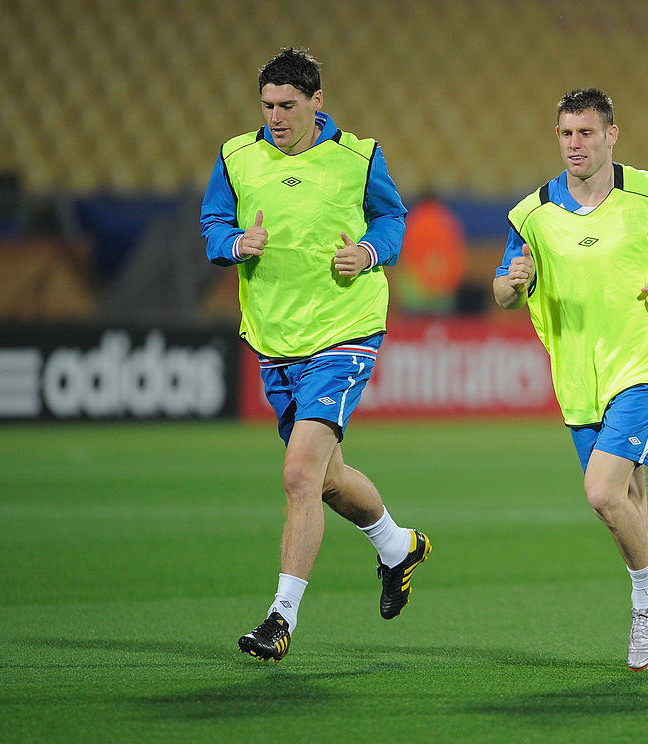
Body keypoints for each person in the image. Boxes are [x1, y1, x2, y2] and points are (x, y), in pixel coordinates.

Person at [200, 48, 431, 663]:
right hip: (275, 341)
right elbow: (213, 225)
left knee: (299, 473)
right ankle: (397, 545)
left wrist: (371, 254)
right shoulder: (237, 157)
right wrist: (233, 242)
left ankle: (281, 618)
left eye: (288, 105)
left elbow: (392, 220)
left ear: (316, 102)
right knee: (326, 480)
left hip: (344, 331)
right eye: (268, 106)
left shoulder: (359, 157)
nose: (275, 117)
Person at [493, 88, 648, 674]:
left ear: (611, 135)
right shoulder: (530, 213)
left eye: (586, 133)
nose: (575, 144)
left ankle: (645, 609)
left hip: (647, 359)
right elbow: (503, 291)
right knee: (627, 506)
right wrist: (514, 282)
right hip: (581, 378)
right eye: (566, 134)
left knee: (602, 492)